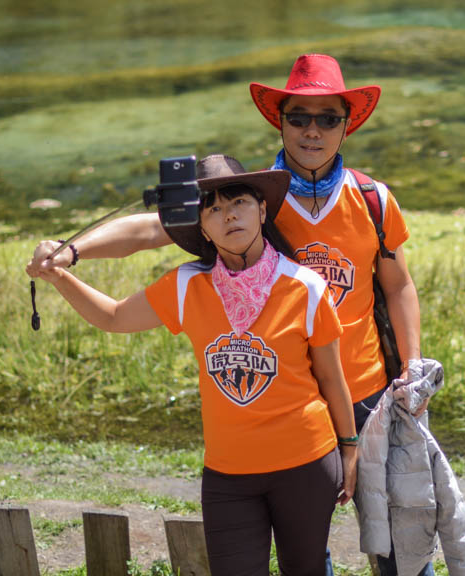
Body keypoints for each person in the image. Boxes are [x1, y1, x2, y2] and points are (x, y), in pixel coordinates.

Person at [27, 54, 429, 575]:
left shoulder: (373, 200)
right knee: (309, 553)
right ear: (278, 121)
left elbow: (398, 285)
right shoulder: (247, 199)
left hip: (370, 394)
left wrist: (411, 369)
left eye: (328, 118)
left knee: (400, 540)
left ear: (346, 124)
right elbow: (149, 230)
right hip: (295, 407)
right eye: (299, 117)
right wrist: (70, 252)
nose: (312, 130)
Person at [27, 155, 358, 576]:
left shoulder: (306, 287)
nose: (228, 215)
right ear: (202, 227)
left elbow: (331, 378)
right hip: (228, 474)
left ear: (262, 208)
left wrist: (349, 448)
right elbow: (112, 317)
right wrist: (60, 275)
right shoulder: (187, 286)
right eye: (213, 209)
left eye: (237, 202)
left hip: (306, 464)